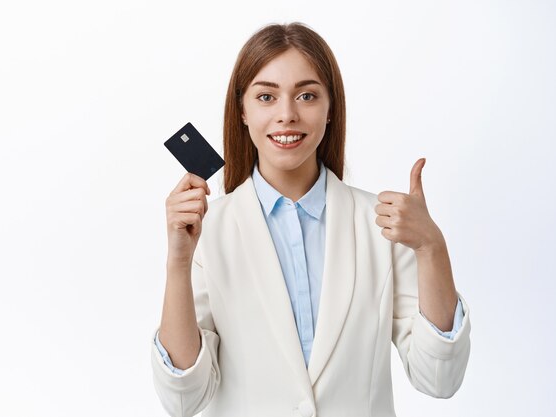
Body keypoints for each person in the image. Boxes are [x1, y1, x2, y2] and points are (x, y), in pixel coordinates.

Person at [151, 22, 470, 417]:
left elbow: (438, 378)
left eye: (306, 95)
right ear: (243, 112)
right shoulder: (208, 233)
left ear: (330, 108)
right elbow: (184, 398)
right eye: (266, 96)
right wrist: (178, 263)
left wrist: (431, 248)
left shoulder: (382, 227)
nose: (287, 115)